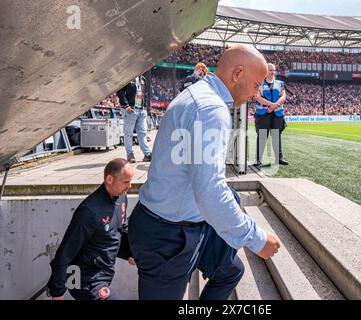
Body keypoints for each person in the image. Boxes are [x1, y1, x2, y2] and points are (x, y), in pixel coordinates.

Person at [128, 44, 281, 300]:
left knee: (231, 271)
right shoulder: (211, 110)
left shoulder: (198, 94)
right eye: (255, 85)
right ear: (237, 73)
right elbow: (210, 190)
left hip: (183, 222)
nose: (256, 94)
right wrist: (256, 238)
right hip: (168, 237)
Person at [46, 159, 135, 300]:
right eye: (125, 182)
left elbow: (116, 232)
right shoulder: (88, 212)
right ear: (109, 179)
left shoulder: (121, 199)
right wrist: (57, 292)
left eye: (130, 181)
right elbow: (65, 252)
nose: (129, 186)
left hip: (102, 276)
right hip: (82, 280)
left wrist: (130, 252)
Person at [253, 63, 288, 167]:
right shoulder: (259, 84)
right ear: (265, 71)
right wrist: (271, 105)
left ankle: (279, 158)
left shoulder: (280, 83)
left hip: (277, 114)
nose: (272, 72)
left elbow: (283, 96)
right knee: (262, 136)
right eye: (270, 70)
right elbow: (258, 97)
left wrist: (274, 106)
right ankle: (258, 159)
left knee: (276, 136)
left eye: (273, 70)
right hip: (263, 114)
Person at [117, 76, 152, 163]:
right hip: (131, 110)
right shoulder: (129, 76)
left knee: (143, 133)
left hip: (141, 110)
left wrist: (145, 107)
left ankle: (147, 154)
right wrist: (126, 106)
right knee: (128, 133)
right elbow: (120, 92)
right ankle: (130, 154)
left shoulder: (143, 79)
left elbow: (145, 93)